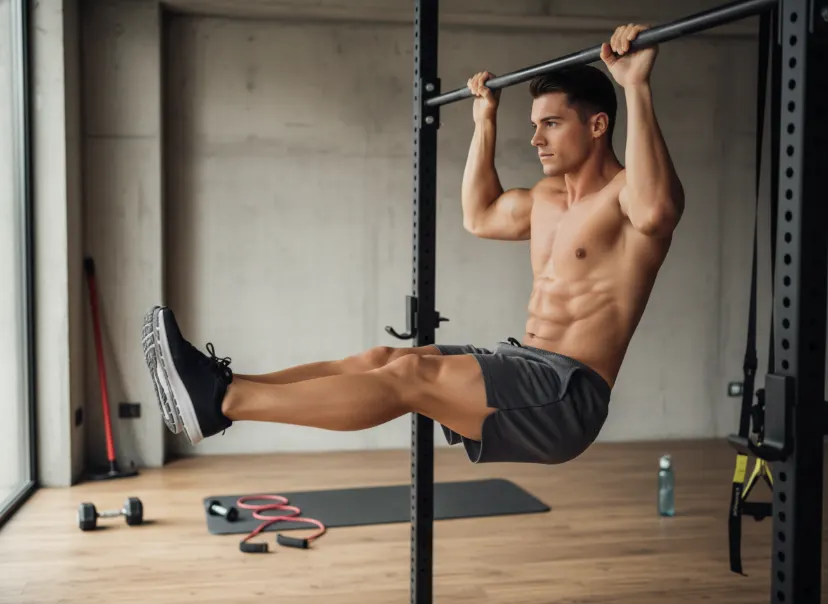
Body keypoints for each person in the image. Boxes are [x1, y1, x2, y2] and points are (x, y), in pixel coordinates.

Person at [142, 23, 684, 464]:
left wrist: (636, 85)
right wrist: (484, 120)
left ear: (596, 126)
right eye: (534, 125)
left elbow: (659, 210)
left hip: (568, 396)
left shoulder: (626, 198)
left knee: (409, 377)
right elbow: (479, 216)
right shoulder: (545, 198)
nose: (536, 138)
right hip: (525, 364)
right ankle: (223, 385)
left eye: (552, 124)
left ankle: (223, 403)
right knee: (384, 358)